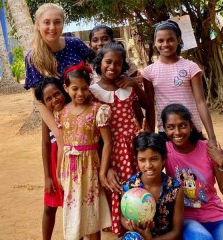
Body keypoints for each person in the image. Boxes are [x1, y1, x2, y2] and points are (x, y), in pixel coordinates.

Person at [89, 42, 149, 236]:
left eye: (117, 63)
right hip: (110, 150)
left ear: (123, 66)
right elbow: (95, 134)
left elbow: (140, 114)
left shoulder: (127, 88)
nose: (112, 67)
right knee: (117, 187)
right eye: (108, 62)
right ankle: (122, 228)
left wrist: (134, 82)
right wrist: (106, 167)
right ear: (99, 63)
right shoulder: (93, 93)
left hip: (133, 148)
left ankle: (139, 225)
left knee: (137, 184)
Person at [161, 103, 223, 240]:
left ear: (191, 126)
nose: (177, 132)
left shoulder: (208, 150)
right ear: (165, 129)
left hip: (215, 214)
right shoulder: (164, 151)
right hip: (184, 216)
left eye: (182, 125)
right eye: (171, 127)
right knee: (202, 238)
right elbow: (146, 170)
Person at [55, 62, 112, 239]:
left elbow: (108, 143)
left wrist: (102, 173)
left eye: (84, 88)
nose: (80, 93)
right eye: (75, 88)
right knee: (73, 213)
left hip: (90, 169)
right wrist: (58, 172)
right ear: (66, 88)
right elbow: (62, 145)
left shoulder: (97, 110)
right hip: (69, 170)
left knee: (91, 212)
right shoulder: (61, 112)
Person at [141, 20, 217, 146]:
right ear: (155, 42)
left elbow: (200, 102)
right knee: (172, 165)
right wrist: (150, 136)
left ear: (179, 40)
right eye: (160, 40)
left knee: (199, 163)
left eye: (170, 40)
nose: (165, 44)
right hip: (166, 131)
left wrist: (212, 136)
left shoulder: (190, 67)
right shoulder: (149, 72)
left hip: (191, 127)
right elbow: (150, 106)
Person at [24, 3, 91, 146]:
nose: (52, 27)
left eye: (57, 22)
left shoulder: (75, 44)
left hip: (87, 115)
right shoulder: (33, 58)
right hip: (58, 120)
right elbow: (39, 100)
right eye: (46, 22)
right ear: (37, 25)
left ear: (63, 24)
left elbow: (99, 65)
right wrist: (58, 132)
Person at [121, 132, 184, 240]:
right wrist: (132, 226)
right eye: (142, 160)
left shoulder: (175, 189)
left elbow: (176, 232)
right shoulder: (129, 187)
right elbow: (122, 217)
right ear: (137, 160)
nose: (148, 165)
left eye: (154, 159)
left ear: (163, 159)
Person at [34, 78, 70, 240]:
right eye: (48, 99)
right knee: (49, 207)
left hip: (72, 165)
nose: (54, 100)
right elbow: (45, 145)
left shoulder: (73, 110)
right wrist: (47, 176)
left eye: (57, 94)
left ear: (63, 91)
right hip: (54, 164)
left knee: (74, 209)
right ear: (43, 103)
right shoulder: (47, 118)